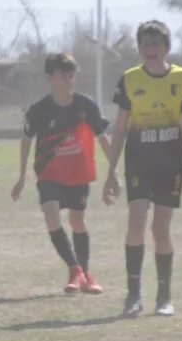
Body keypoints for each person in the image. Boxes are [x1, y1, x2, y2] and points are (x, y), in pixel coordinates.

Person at [102, 20, 182, 317]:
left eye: (156, 44)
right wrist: (110, 172)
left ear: (167, 47)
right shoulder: (130, 79)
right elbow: (120, 128)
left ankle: (164, 296)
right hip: (139, 163)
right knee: (135, 222)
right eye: (145, 44)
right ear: (139, 48)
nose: (150, 50)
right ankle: (133, 295)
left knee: (160, 228)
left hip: (171, 163)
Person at [11, 52, 112, 295]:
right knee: (52, 215)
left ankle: (86, 274)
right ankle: (74, 269)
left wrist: (114, 171)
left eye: (70, 75)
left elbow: (102, 137)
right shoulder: (39, 110)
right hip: (49, 173)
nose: (67, 80)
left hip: (77, 173)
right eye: (62, 76)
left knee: (77, 221)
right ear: (49, 78)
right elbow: (26, 140)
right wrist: (22, 176)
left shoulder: (86, 106)